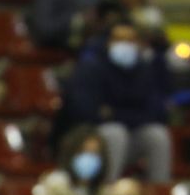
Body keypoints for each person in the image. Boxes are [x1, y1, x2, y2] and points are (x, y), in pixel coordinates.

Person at [65, 18, 172, 183]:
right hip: (92, 140)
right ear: (108, 42)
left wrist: (113, 113)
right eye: (119, 40)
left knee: (157, 135)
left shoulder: (144, 70)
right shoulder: (91, 67)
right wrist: (130, 115)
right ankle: (106, 193)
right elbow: (86, 112)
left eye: (130, 40)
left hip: (131, 137)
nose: (125, 45)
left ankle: (160, 194)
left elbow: (156, 112)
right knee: (116, 132)